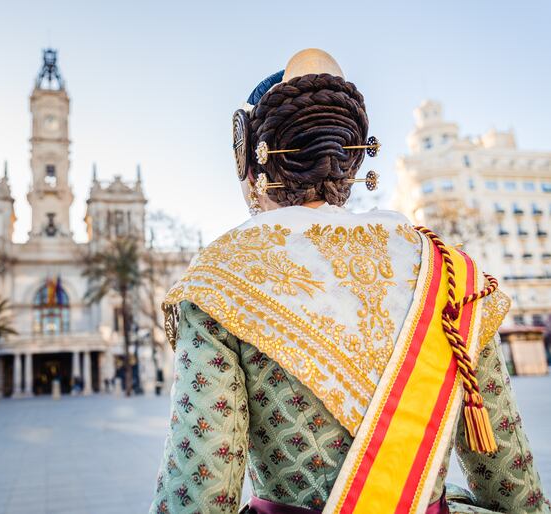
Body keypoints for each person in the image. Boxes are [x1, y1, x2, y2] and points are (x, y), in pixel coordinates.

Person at [150, 49, 548, 514]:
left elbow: (200, 490)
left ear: (251, 164)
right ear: (351, 159)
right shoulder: (448, 269)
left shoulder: (218, 279)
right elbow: (511, 480)